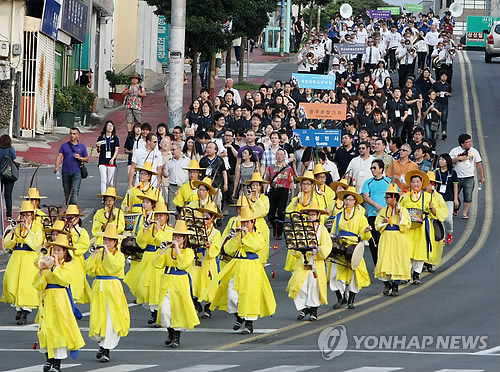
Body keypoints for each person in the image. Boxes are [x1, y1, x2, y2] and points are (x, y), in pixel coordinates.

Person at [203, 207, 276, 334]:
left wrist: (246, 235)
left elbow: (255, 247)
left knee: (249, 296)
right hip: (237, 267)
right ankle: (239, 316)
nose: (245, 225)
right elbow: (228, 249)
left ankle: (249, 324)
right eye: (243, 222)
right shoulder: (237, 235)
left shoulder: (257, 236)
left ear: (253, 223)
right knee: (232, 296)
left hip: (252, 268)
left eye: (247, 222)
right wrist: (236, 237)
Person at [35, 233, 85, 372]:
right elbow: (39, 284)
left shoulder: (68, 265)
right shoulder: (47, 264)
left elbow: (65, 280)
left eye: (58, 250)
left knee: (59, 330)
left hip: (60, 298)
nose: (55, 253)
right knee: (45, 330)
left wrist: (56, 265)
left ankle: (57, 362)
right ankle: (48, 358)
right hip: (47, 299)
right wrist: (41, 271)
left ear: (64, 252)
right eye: (54, 250)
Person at [85, 224, 130, 363]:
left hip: (112, 286)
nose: (106, 243)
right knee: (99, 317)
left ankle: (106, 349)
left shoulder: (119, 256)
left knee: (111, 318)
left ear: (115, 242)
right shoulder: (98, 254)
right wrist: (93, 255)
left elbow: (113, 267)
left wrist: (107, 253)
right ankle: (102, 343)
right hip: (99, 286)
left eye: (110, 240)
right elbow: (89, 270)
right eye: (105, 240)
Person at [154, 220, 200, 348]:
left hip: (180, 282)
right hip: (167, 281)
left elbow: (183, 264)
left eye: (179, 236)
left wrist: (178, 249)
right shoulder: (169, 249)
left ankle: (176, 337)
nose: (176, 238)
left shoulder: (189, 252)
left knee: (178, 310)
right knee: (164, 311)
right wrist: (163, 250)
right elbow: (157, 264)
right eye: (175, 236)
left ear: (184, 238)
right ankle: (170, 332)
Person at [287, 200, 332, 321]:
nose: (311, 217)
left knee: (314, 286)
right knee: (300, 285)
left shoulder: (322, 230)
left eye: (313, 214)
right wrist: (296, 250)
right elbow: (295, 244)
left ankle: (313, 311)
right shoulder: (301, 228)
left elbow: (327, 245)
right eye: (309, 214)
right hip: (303, 261)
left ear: (318, 215)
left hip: (316, 262)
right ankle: (305, 307)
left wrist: (320, 249)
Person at [329, 186, 372, 310]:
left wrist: (366, 231)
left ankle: (351, 300)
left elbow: (364, 235)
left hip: (353, 247)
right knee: (334, 274)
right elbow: (333, 232)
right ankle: (340, 298)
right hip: (340, 246)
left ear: (355, 202)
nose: (347, 202)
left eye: (350, 199)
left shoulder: (360, 217)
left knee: (354, 274)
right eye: (346, 199)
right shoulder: (338, 216)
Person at [1, 201, 43, 325]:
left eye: (28, 215)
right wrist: (13, 231)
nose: (25, 218)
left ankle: (24, 312)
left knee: (26, 285)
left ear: (32, 216)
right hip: (16, 257)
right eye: (23, 215)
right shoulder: (17, 227)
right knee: (12, 281)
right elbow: (7, 244)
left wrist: (29, 230)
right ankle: (18, 309)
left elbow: (36, 244)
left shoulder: (37, 228)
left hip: (29, 258)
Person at [400, 170, 438, 285]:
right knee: (408, 250)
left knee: (420, 250)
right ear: (410, 183)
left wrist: (432, 208)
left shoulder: (428, 197)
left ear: (422, 183)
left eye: (418, 182)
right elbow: (400, 210)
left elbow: (434, 213)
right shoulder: (405, 197)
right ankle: (406, 274)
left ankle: (416, 273)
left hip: (422, 227)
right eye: (413, 182)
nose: (416, 184)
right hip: (409, 227)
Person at [374, 183, 412, 297]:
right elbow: (377, 225)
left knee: (397, 261)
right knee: (384, 260)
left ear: (394, 198)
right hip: (386, 237)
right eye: (385, 197)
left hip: (398, 238)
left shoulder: (403, 210)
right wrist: (384, 222)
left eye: (388, 197)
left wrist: (400, 216)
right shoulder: (383, 211)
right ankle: (387, 284)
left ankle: (395, 285)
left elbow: (406, 225)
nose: (386, 199)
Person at [189, 202, 223, 318]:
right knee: (193, 283)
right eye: (202, 217)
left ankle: (208, 307)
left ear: (213, 219)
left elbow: (216, 248)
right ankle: (196, 304)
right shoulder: (197, 230)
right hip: (197, 260)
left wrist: (209, 247)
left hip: (208, 262)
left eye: (207, 218)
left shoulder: (215, 233)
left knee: (209, 285)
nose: (204, 220)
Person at [361, 159, 392, 265]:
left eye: (374, 167)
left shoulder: (388, 181)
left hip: (386, 215)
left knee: (384, 241)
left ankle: (385, 263)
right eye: (371, 168)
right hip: (373, 215)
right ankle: (377, 264)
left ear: (381, 169)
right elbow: (365, 197)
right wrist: (376, 205)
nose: (372, 170)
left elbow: (395, 195)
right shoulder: (368, 182)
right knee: (373, 241)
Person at [449, 134, 485, 219]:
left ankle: (465, 213)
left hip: (469, 177)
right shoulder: (455, 151)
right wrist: (458, 158)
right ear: (462, 144)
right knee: (453, 194)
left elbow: (478, 164)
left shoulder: (474, 151)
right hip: (456, 177)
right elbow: (449, 161)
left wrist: (482, 176)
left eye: (470, 141)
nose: (469, 143)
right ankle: (456, 207)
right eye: (467, 142)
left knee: (468, 196)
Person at [63, 205, 92, 304]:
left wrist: (72, 247)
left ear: (77, 218)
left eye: (72, 217)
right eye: (68, 217)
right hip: (64, 261)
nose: (70, 220)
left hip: (76, 261)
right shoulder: (62, 230)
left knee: (75, 285)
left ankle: (72, 310)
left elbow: (84, 245)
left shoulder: (81, 231)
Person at [264, 149, 295, 239]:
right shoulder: (270, 168)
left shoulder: (288, 168)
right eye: (278, 154)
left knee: (281, 212)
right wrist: (263, 192)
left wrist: (292, 194)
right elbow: (266, 180)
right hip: (273, 190)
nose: (279, 156)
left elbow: (291, 181)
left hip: (283, 191)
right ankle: (274, 226)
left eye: (281, 155)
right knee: (270, 212)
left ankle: (279, 231)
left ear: (284, 156)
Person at [55, 128, 89, 205]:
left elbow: (86, 159)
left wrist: (80, 158)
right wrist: (57, 167)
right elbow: (59, 156)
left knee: (74, 190)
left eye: (74, 134)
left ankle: (73, 209)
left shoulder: (82, 146)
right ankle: (68, 208)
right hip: (65, 171)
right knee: (67, 191)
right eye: (71, 133)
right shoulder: (64, 146)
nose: (72, 135)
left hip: (77, 172)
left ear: (78, 135)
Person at [245, 172, 271, 264]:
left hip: (261, 224)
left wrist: (257, 198)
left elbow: (264, 211)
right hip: (249, 224)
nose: (254, 187)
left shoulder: (264, 198)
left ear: (260, 187)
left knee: (262, 251)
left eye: (257, 185)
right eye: (253, 185)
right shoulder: (247, 198)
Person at [435, 154, 459, 244]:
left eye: (443, 160)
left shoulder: (452, 172)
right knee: (440, 219)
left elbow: (455, 186)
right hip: (439, 198)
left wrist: (455, 198)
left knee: (448, 219)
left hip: (449, 198)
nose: (441, 161)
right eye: (440, 159)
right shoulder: (437, 172)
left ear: (447, 161)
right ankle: (443, 237)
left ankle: (450, 232)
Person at [164, 143, 190, 222]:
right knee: (171, 208)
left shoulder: (187, 161)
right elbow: (166, 175)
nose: (172, 152)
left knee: (184, 208)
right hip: (172, 186)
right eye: (171, 150)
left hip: (184, 186)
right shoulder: (169, 162)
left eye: (174, 150)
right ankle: (172, 226)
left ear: (180, 149)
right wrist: (163, 170)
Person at [199, 142, 228, 212]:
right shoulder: (203, 160)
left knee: (216, 203)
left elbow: (224, 171)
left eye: (210, 148)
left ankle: (217, 219)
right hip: (205, 186)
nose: (208, 149)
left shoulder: (220, 160)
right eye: (207, 148)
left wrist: (225, 184)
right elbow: (199, 172)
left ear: (215, 150)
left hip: (216, 185)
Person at [96, 121, 120, 196]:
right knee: (103, 179)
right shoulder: (101, 137)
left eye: (111, 126)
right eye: (108, 125)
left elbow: (116, 150)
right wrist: (98, 146)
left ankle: (110, 195)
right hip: (102, 160)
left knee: (110, 181)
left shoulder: (115, 138)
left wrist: (113, 159)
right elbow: (98, 151)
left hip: (111, 161)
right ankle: (103, 195)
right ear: (105, 127)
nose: (110, 127)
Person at [0, 134, 17, 220]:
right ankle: (9, 215)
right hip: (9, 174)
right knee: (8, 195)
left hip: (0, 174)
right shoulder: (11, 149)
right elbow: (14, 159)